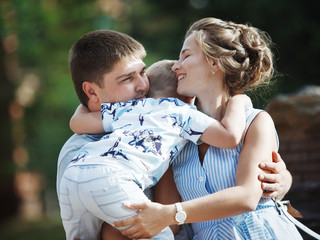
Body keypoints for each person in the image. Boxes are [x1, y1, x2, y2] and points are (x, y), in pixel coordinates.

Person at [56, 29, 292, 240]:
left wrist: (283, 180)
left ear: (214, 63)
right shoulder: (89, 145)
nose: (143, 85)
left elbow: (249, 193)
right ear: (91, 91)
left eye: (185, 56)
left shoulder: (246, 121)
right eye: (128, 78)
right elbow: (140, 222)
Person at [64, 58, 251, 240]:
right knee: (158, 231)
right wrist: (239, 100)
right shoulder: (184, 113)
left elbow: (77, 123)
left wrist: (89, 99)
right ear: (190, 98)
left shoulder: (130, 108)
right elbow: (230, 137)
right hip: (112, 178)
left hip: (73, 173)